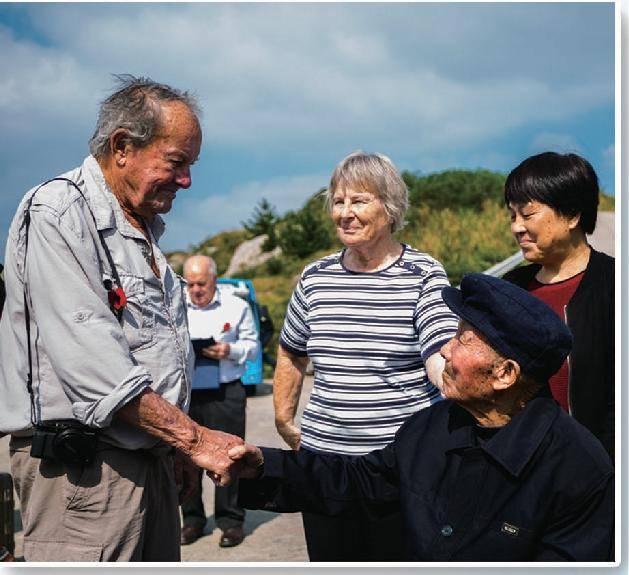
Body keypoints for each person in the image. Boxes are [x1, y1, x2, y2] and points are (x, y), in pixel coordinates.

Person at [0, 75, 243, 562]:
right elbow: (96, 367)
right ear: (122, 147)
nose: (187, 180)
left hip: (144, 459)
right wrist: (193, 439)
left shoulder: (142, 228)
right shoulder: (57, 212)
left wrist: (167, 448)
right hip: (86, 478)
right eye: (176, 163)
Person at [230, 273, 614, 562]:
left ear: (505, 374)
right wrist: (263, 466)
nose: (445, 350)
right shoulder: (432, 425)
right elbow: (360, 482)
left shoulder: (578, 470)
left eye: (463, 338)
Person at [273, 151, 458, 561]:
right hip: (325, 463)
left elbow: (438, 344)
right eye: (338, 202)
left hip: (400, 465)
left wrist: (448, 373)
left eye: (359, 200)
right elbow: (291, 351)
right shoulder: (314, 277)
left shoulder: (423, 273)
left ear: (390, 207)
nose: (345, 213)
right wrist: (285, 421)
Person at [502, 152, 614, 458]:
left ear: (572, 215)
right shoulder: (511, 289)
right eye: (512, 216)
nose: (517, 228)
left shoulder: (613, 287)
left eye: (527, 214)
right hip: (521, 470)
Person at [180, 255, 259, 548]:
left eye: (201, 283)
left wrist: (230, 350)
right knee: (186, 456)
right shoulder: (176, 308)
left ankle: (230, 521)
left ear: (214, 280)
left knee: (230, 456)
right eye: (190, 284)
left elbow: (252, 347)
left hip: (227, 391)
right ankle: (192, 520)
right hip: (189, 393)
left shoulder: (235, 306)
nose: (196, 290)